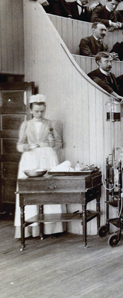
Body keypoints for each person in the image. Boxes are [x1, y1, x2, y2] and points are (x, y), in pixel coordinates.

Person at [15, 94, 64, 239]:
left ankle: (51, 228)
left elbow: (59, 143)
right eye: (36, 111)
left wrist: (52, 144)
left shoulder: (51, 124)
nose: (40, 114)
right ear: (31, 110)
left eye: (42, 111)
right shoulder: (26, 125)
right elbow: (19, 145)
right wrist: (28, 147)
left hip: (48, 157)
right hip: (30, 158)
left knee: (50, 189)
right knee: (30, 191)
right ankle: (30, 229)